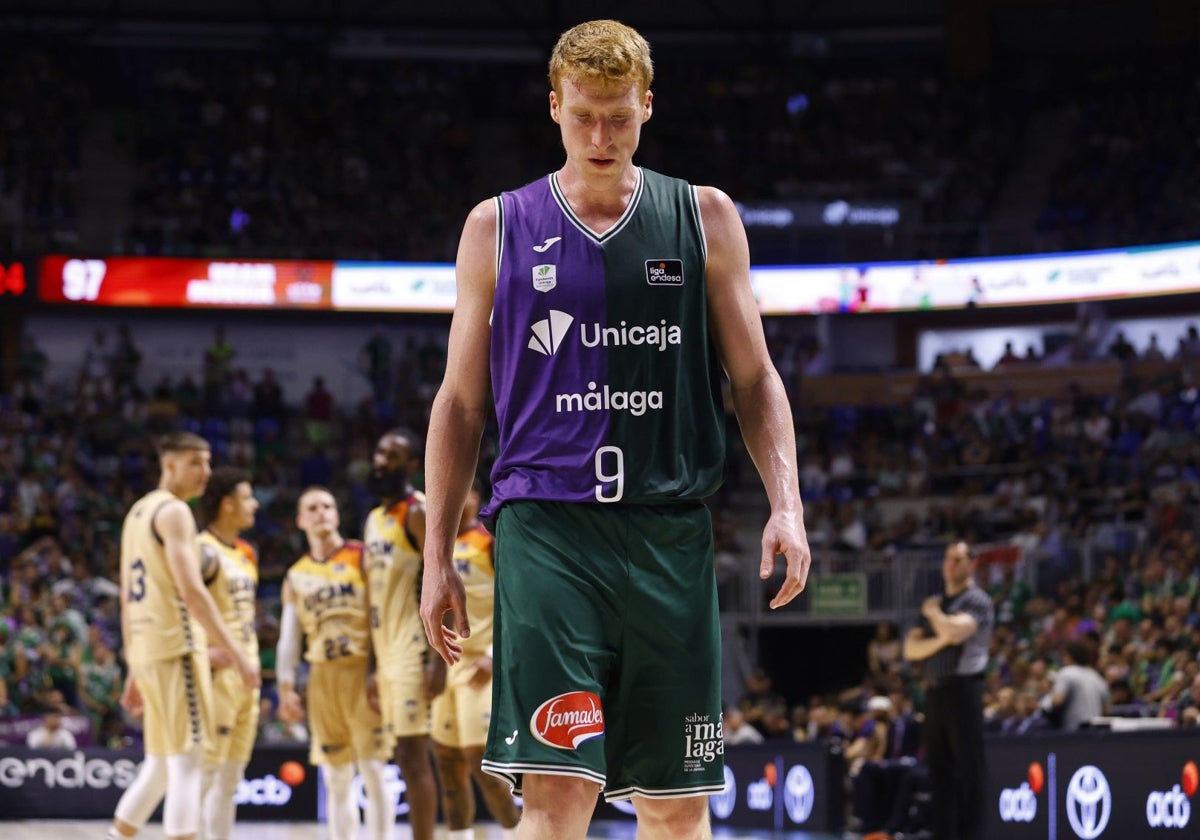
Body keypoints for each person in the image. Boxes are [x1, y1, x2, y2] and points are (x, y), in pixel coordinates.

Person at [419, 19, 811, 840]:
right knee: (559, 798)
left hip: (669, 529)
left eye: (619, 118)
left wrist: (788, 505)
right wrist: (437, 555)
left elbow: (755, 378)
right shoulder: (495, 227)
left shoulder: (705, 215)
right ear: (554, 106)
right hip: (547, 529)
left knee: (676, 806)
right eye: (584, 115)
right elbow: (459, 403)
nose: (601, 137)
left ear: (648, 108)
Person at [106, 432, 261, 840]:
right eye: (196, 462)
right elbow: (192, 591)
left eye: (208, 462)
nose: (205, 472)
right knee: (188, 763)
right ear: (169, 464)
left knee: (159, 763)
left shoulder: (138, 512)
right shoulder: (174, 512)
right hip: (176, 647)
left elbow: (127, 596)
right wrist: (238, 654)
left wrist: (132, 665)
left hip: (147, 649)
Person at [276, 486, 391, 840]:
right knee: (335, 778)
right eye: (312, 507)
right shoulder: (296, 574)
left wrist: (379, 671)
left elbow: (382, 617)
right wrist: (285, 688)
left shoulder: (362, 556)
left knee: (372, 770)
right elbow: (289, 638)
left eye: (328, 505)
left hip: (364, 672)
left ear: (337, 515)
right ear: (300, 520)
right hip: (323, 677)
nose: (321, 512)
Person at [428, 480, 521, 839]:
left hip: (483, 666)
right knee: (447, 764)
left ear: (475, 497)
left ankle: (516, 832)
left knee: (482, 766)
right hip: (447, 665)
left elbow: (518, 599)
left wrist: (495, 655)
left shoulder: (490, 540)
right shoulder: (436, 545)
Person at [362, 429, 440, 840]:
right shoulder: (374, 519)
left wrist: (438, 660)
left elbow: (441, 582)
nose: (380, 460)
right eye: (378, 451)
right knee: (403, 757)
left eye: (391, 455)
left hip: (413, 648)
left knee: (414, 757)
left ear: (411, 465)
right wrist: (372, 668)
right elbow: (372, 599)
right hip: (385, 652)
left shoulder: (419, 511)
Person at [902, 540, 994, 840]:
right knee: (939, 774)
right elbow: (911, 650)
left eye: (957, 559)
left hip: (963, 690)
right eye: (947, 559)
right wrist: (943, 637)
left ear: (972, 564)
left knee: (969, 772)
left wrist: (936, 620)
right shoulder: (934, 602)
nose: (949, 564)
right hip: (934, 693)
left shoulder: (976, 599)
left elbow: (958, 632)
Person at [195, 467, 261, 840]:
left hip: (246, 677)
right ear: (227, 503)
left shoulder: (247, 552)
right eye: (248, 496)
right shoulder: (202, 550)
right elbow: (177, 608)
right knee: (206, 774)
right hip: (216, 677)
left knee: (231, 778)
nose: (254, 504)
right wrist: (203, 653)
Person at [1043, 639, 1109, 731]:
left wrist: (1048, 693)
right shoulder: (1096, 676)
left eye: (1064, 656)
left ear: (1070, 656)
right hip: (1094, 733)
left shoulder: (1067, 672)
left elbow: (1057, 701)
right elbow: (1106, 709)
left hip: (1074, 733)